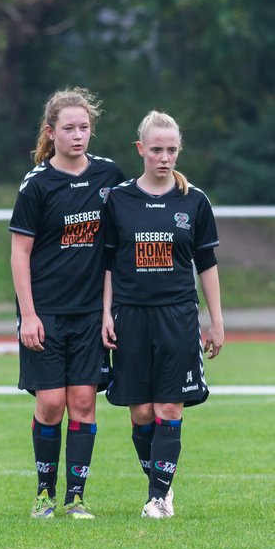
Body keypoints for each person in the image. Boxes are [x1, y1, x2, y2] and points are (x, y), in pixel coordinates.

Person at [9, 88, 126, 519]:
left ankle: (76, 498)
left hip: (91, 314)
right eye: (69, 128)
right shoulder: (36, 184)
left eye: (84, 128)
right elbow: (20, 253)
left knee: (83, 402)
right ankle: (44, 494)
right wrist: (29, 315)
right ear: (51, 132)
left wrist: (112, 309)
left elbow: (118, 244)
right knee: (51, 403)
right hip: (46, 312)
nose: (78, 136)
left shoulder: (109, 176)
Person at [102, 110, 224, 519]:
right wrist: (106, 314)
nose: (164, 157)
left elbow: (207, 263)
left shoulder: (194, 201)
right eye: (156, 149)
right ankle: (160, 484)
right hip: (131, 317)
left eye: (171, 149)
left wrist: (216, 321)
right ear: (140, 149)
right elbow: (105, 265)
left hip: (177, 318)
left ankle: (158, 496)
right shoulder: (118, 199)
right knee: (140, 413)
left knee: (169, 409)